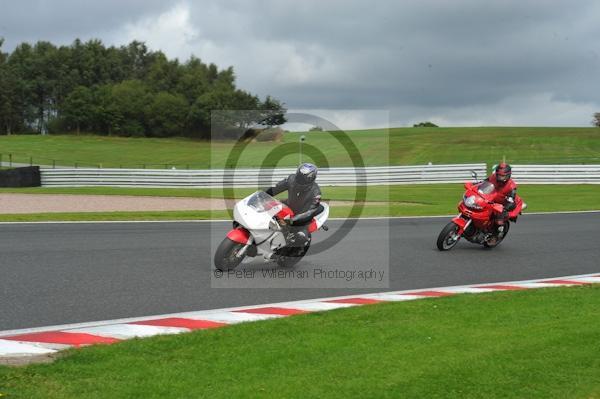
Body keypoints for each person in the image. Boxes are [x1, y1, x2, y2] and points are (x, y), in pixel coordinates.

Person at [264, 163, 324, 246]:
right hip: (289, 206)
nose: (300, 179)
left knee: (301, 237)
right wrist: (264, 194)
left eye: (303, 178)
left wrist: (293, 220)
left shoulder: (316, 192)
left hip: (302, 214)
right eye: (299, 176)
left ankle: (289, 250)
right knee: (265, 209)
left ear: (311, 178)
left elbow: (310, 211)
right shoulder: (291, 179)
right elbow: (276, 188)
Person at [486, 162, 517, 236]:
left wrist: (505, 207)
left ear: (508, 175)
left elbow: (511, 200)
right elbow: (484, 182)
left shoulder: (512, 186)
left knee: (499, 218)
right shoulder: (493, 177)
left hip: (502, 204)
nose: (500, 178)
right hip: (491, 199)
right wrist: (476, 185)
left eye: (502, 176)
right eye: (499, 175)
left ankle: (498, 232)